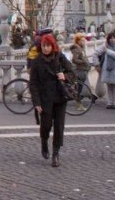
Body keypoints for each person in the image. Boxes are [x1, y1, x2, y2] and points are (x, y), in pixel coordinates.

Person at [29, 33, 75, 167]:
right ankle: (44, 142)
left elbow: (72, 72)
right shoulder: (37, 61)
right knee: (46, 125)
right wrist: (36, 102)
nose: (46, 48)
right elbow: (33, 83)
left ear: (52, 46)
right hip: (45, 98)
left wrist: (65, 76)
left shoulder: (60, 58)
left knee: (59, 126)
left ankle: (56, 153)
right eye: (44, 45)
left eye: (48, 45)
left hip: (60, 97)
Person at [99, 32, 115, 109]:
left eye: (113, 38)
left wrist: (108, 51)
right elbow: (96, 52)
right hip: (107, 69)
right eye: (110, 38)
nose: (112, 40)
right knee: (109, 86)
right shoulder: (105, 46)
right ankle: (109, 102)